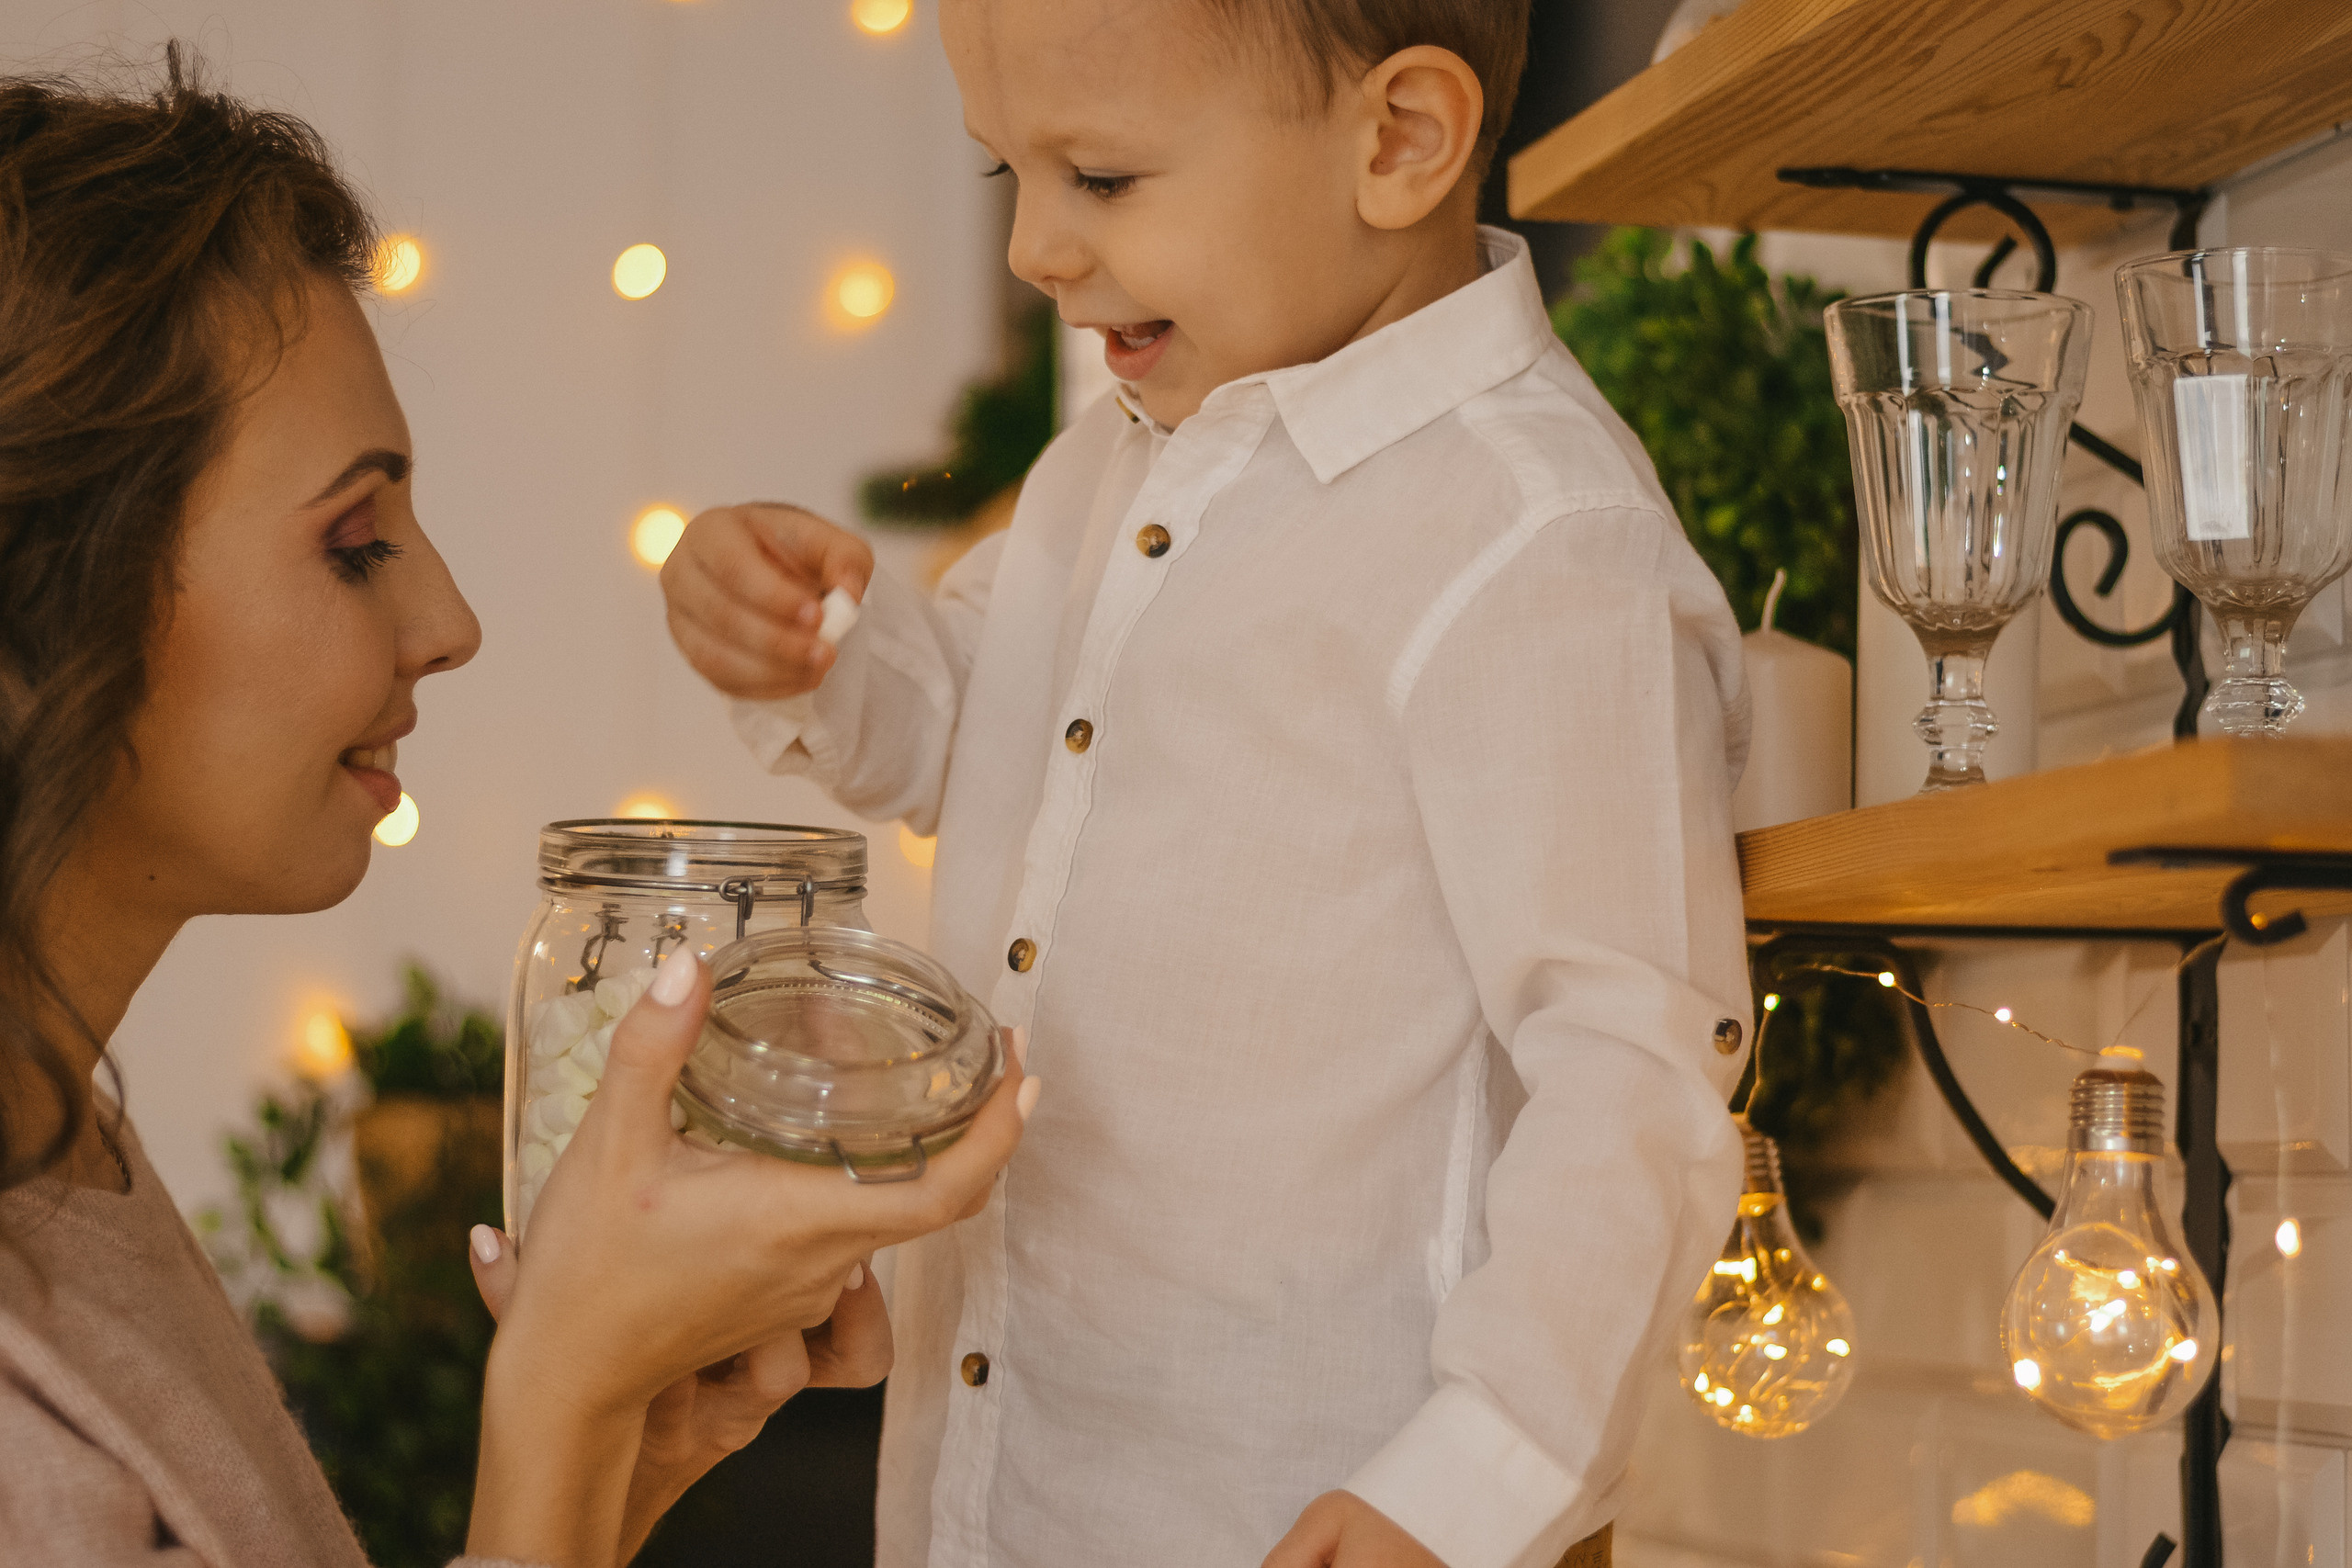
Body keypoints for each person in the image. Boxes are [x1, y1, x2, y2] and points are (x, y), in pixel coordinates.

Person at [657, 1, 1751, 1565]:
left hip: (1303, 1507)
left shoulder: (1531, 539)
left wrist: (1470, 1483)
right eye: (1005, 180)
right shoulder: (1107, 466)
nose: (1039, 245)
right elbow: (976, 736)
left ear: (1399, 142)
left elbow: (1633, 1068)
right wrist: (815, 645)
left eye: (1099, 179)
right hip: (1010, 1483)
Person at [0, 55, 1032, 1568]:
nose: (451, 621)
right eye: (355, 541)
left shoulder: (63, 1153)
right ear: (48, 595)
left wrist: (611, 1457)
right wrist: (558, 1390)